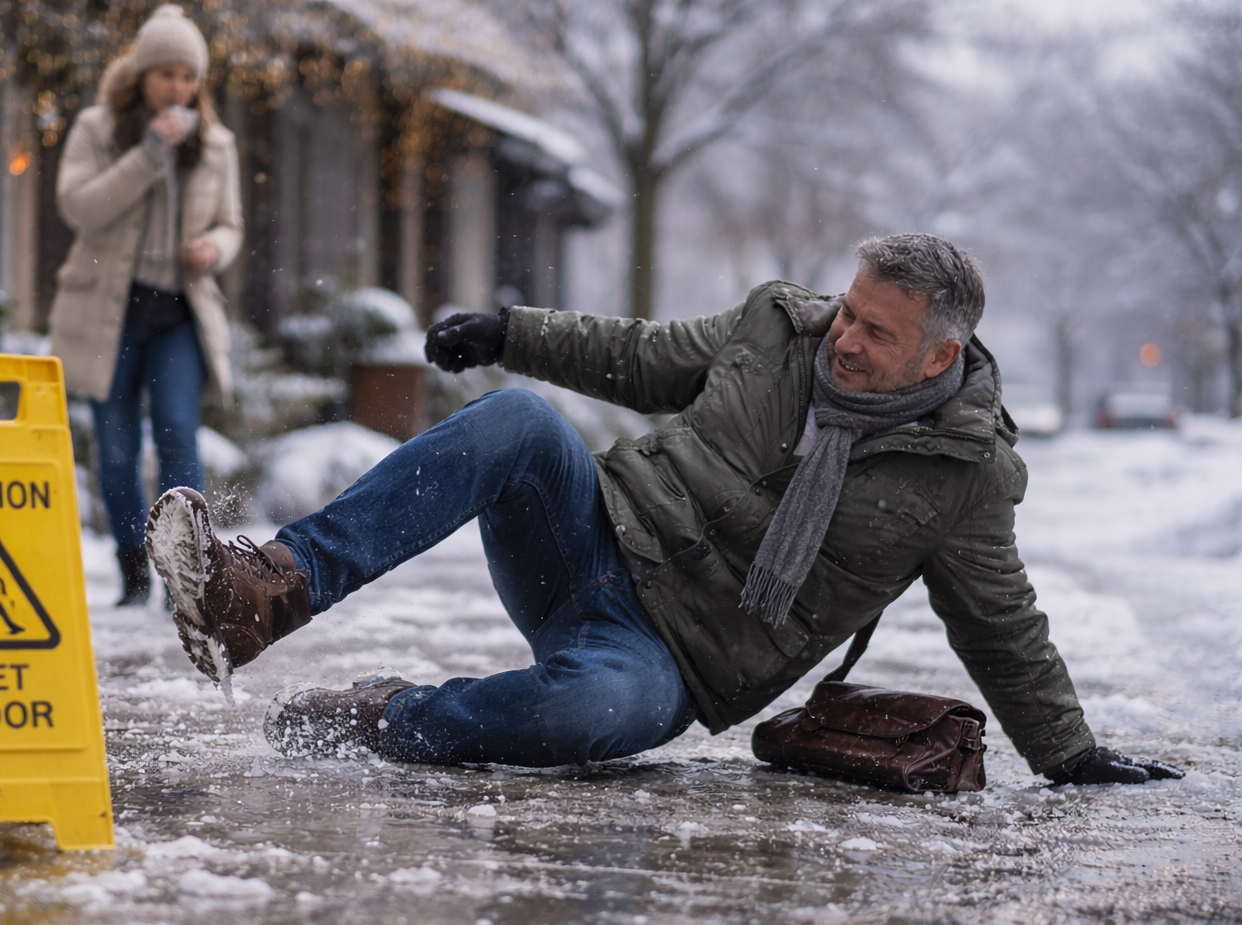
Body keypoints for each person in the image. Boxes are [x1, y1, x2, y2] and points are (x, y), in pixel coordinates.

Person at [146, 233, 1182, 786]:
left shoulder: (964, 476)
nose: (844, 337)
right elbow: (639, 357)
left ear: (941, 355)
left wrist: (1070, 751)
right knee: (515, 422)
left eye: (874, 331)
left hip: (667, 661)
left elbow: (1000, 624)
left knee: (586, 717)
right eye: (848, 309)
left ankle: (389, 714)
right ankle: (265, 592)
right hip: (588, 530)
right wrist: (511, 331)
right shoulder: (780, 326)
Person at [49, 4, 242, 606]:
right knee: (115, 445)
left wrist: (213, 247)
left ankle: (189, 576)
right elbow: (78, 207)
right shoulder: (97, 129)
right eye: (168, 75)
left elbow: (231, 224)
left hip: (180, 314)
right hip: (111, 310)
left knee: (179, 435)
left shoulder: (216, 144)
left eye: (189, 76)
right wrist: (147, 156)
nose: (179, 88)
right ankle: (133, 571)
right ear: (141, 75)